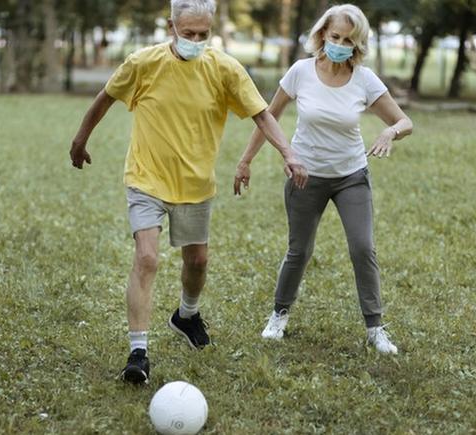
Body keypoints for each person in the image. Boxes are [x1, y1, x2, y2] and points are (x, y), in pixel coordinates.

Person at [69, 0, 308, 384]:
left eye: (203, 34)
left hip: (196, 184)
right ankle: (138, 352)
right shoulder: (143, 63)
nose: (196, 40)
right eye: (188, 33)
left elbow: (262, 113)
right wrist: (80, 140)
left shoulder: (225, 68)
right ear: (170, 26)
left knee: (197, 263)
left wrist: (288, 151)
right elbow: (105, 98)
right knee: (146, 258)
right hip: (146, 178)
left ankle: (186, 314)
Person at [233, 4, 413, 354]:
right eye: (335, 37)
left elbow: (405, 121)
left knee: (363, 248)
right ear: (322, 35)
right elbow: (269, 116)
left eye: (349, 40)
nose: (340, 44)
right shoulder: (301, 72)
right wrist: (245, 160)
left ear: (357, 44)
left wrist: (390, 132)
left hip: (351, 176)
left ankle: (375, 327)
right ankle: (279, 316)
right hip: (305, 176)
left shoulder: (364, 78)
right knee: (299, 250)